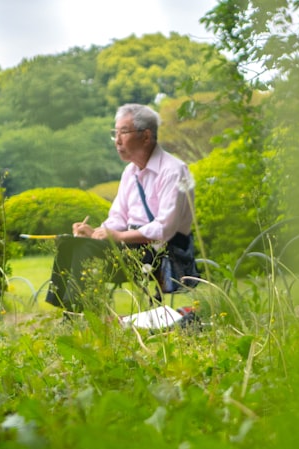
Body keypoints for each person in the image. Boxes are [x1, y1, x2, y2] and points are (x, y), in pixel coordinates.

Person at [45, 103, 197, 312]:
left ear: (146, 136)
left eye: (123, 132)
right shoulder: (130, 172)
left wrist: (119, 237)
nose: (117, 141)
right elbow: (118, 217)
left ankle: (77, 314)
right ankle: (67, 308)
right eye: (114, 133)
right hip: (129, 245)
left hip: (160, 250)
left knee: (83, 250)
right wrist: (96, 233)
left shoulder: (173, 170)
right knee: (69, 242)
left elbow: (165, 228)